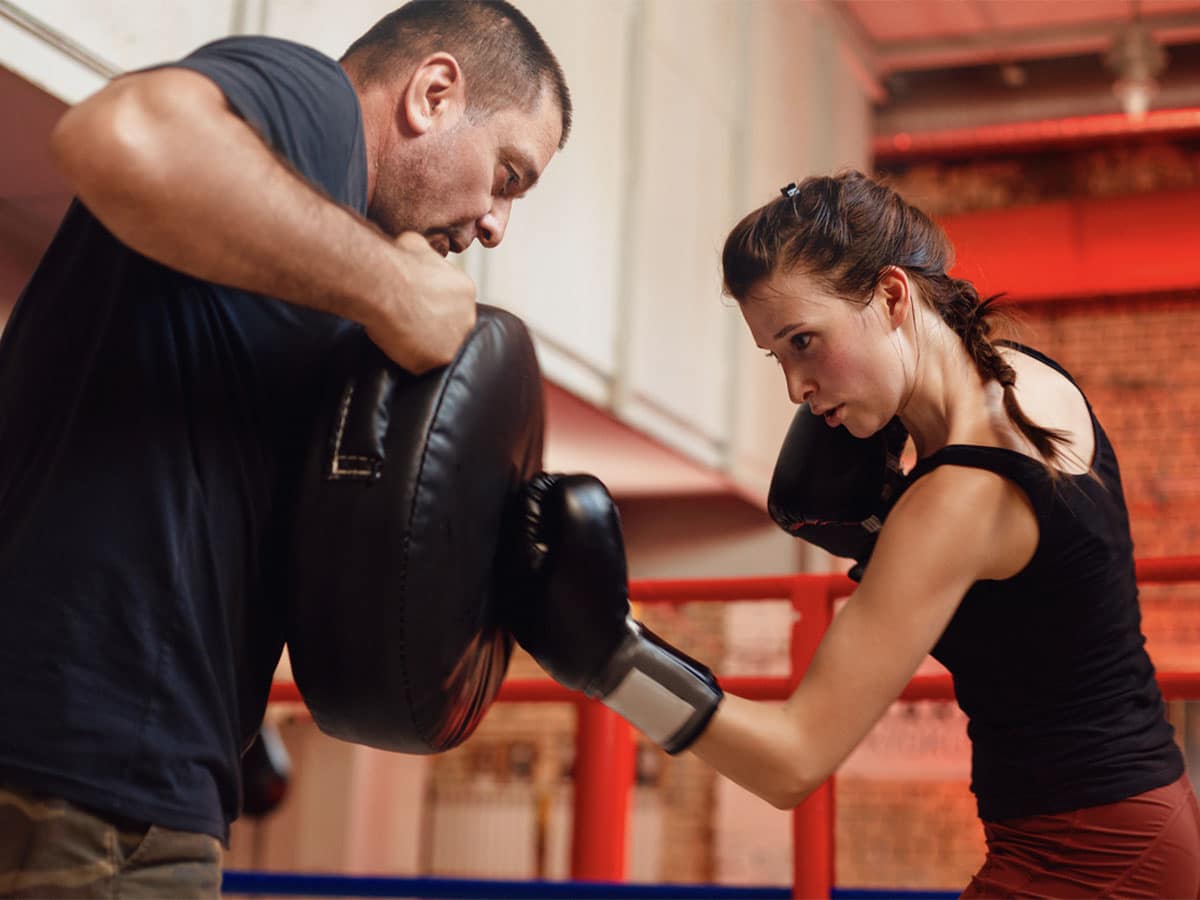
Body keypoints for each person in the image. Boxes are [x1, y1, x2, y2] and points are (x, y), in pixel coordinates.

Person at [0, 1, 569, 895]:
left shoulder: (302, 291)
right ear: (433, 93)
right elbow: (123, 134)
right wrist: (392, 290)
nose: (496, 224)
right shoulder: (319, 110)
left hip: (106, 770)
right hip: (98, 782)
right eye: (507, 174)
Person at [509, 171, 1200, 898]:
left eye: (805, 341)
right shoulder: (1018, 380)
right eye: (779, 356)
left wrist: (612, 662)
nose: (795, 388)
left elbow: (793, 760)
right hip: (1128, 829)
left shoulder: (961, 495)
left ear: (894, 296)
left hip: (1097, 860)